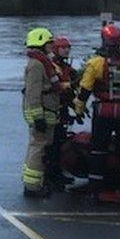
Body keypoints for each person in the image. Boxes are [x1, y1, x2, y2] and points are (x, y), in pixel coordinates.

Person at [72, 23, 120, 200]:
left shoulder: (96, 63)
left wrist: (78, 110)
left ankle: (95, 188)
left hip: (103, 112)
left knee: (97, 151)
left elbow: (84, 90)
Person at [21, 28, 62, 197]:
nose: (52, 46)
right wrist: (38, 117)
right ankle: (32, 187)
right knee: (38, 148)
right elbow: (33, 93)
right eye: (49, 43)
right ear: (41, 44)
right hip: (42, 112)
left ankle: (34, 184)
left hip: (47, 110)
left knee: (39, 147)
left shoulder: (41, 62)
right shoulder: (37, 65)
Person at [45, 35, 77, 190]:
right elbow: (58, 87)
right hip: (53, 108)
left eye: (68, 48)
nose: (67, 50)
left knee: (60, 142)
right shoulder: (52, 66)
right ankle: (50, 176)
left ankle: (57, 173)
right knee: (52, 144)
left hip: (62, 108)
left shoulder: (65, 67)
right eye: (64, 48)